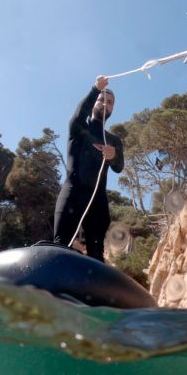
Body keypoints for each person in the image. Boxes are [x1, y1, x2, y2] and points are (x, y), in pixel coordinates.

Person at [53, 75, 124, 262]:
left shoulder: (114, 141)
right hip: (73, 192)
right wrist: (95, 90)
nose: (105, 104)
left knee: (96, 253)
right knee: (61, 244)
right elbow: (79, 113)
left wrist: (114, 155)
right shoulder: (78, 129)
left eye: (110, 102)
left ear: (113, 109)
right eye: (102, 99)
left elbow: (119, 168)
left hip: (98, 199)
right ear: (94, 103)